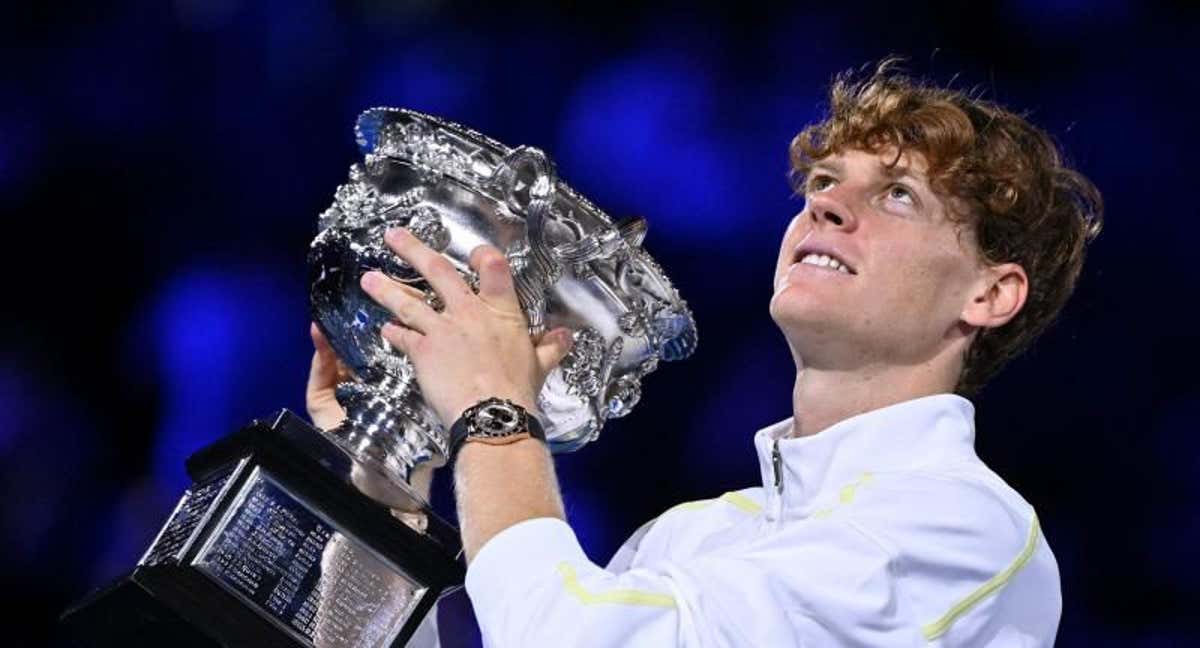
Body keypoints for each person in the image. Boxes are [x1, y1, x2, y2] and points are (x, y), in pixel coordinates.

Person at [307, 59, 1102, 647]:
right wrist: (390, 476)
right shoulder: (691, 540)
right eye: (824, 180)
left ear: (990, 294)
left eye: (897, 194)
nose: (826, 203)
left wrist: (491, 414)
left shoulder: (962, 528)